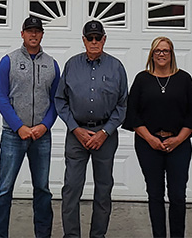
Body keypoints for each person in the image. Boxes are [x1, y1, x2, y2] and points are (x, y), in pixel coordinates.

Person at [122, 36, 192, 238]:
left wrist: (178, 139)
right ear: (152, 54)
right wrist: (151, 139)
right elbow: (132, 115)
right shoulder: (142, 79)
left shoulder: (183, 79)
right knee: (155, 195)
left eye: (165, 51)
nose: (161, 54)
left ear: (172, 54)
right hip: (147, 145)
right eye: (157, 51)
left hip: (179, 145)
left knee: (177, 195)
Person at [55, 20, 129, 238]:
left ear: (104, 39)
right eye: (90, 38)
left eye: (98, 38)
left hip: (105, 136)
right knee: (71, 189)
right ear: (84, 40)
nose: (94, 42)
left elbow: (123, 104)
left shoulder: (116, 67)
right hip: (76, 135)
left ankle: (98, 235)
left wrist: (105, 132)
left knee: (103, 190)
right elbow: (60, 100)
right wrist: (74, 128)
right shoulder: (71, 65)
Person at [0, 16, 61, 238]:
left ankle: (43, 235)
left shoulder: (51, 64)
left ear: (42, 35)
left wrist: (45, 125)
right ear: (22, 34)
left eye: (37, 31)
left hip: (41, 137)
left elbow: (56, 100)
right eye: (29, 31)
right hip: (14, 135)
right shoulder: (8, 61)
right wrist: (19, 126)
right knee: (4, 190)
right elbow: (1, 97)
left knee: (42, 189)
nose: (33, 35)